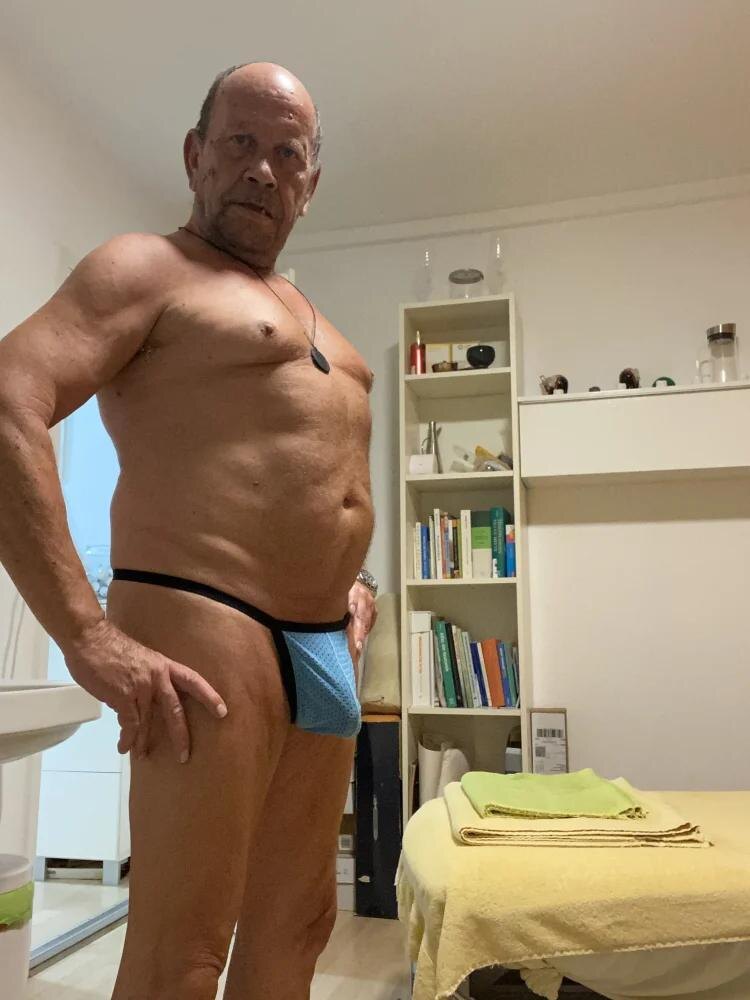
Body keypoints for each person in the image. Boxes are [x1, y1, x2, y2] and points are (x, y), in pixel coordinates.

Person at [0, 62, 378, 999]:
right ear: (195, 155)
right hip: (209, 618)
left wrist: (352, 580)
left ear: (310, 183)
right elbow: (9, 402)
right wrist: (85, 634)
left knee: (299, 926)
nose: (262, 169)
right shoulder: (146, 268)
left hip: (326, 640)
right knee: (185, 950)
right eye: (241, 142)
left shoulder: (310, 312)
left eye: (287, 153)